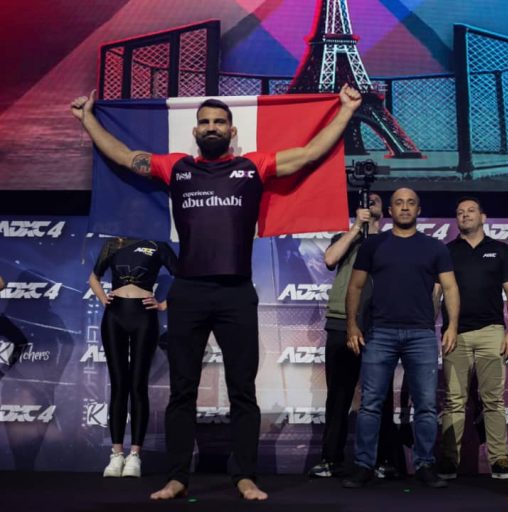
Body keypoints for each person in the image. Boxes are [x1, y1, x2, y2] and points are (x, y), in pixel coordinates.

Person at [71, 84, 362, 500]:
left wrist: (346, 110)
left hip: (236, 293)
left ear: (231, 130)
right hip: (189, 291)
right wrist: (87, 119)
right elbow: (123, 156)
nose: (212, 127)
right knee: (182, 390)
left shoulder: (253, 165)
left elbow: (310, 153)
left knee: (243, 390)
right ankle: (177, 477)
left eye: (219, 122)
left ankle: (244, 476)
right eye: (205, 122)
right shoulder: (176, 167)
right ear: (195, 131)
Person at [343, 187, 460, 489]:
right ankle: (363, 465)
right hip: (380, 332)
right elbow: (355, 287)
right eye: (398, 203)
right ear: (390, 210)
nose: (405, 207)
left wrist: (452, 326)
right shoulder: (374, 245)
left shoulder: (435, 247)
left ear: (418, 210)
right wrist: (352, 326)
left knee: (426, 405)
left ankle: (425, 464)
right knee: (370, 404)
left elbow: (450, 288)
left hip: (421, 334)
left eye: (410, 203)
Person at [309, 193, 403, 479]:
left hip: (379, 325)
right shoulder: (345, 237)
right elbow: (329, 259)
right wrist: (355, 229)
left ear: (385, 211)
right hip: (341, 322)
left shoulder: (392, 241)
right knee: (339, 396)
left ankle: (384, 460)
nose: (370, 204)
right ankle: (331, 459)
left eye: (376, 201)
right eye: (366, 201)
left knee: (380, 396)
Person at [436, 196, 508, 480]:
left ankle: (499, 460)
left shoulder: (500, 250)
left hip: (491, 332)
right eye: (460, 212)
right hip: (455, 334)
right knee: (454, 401)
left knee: (493, 400)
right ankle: (449, 461)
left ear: (483, 217)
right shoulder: (446, 251)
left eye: (471, 210)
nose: (465, 215)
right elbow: (436, 292)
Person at [88, 236, 177, 478]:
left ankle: (135, 455)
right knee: (119, 385)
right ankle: (116, 454)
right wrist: (103, 298)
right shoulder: (113, 244)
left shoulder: (158, 246)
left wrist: (164, 304)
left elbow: (184, 277)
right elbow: (93, 277)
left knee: (138, 385)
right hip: (114, 316)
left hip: (144, 316)